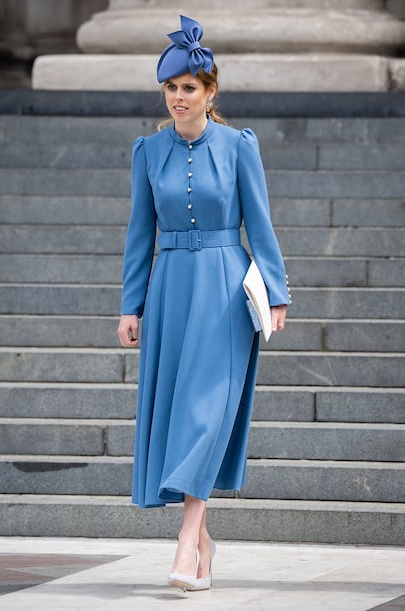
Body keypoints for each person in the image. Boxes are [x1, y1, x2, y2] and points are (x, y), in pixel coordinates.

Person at [117, 14, 291, 592]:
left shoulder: (240, 146)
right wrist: (130, 305)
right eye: (170, 88)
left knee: (207, 410)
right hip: (171, 290)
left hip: (226, 287)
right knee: (182, 411)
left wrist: (277, 290)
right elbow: (139, 234)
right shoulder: (147, 151)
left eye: (188, 87)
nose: (178, 98)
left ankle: (188, 539)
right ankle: (206, 544)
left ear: (210, 92)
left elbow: (259, 225)